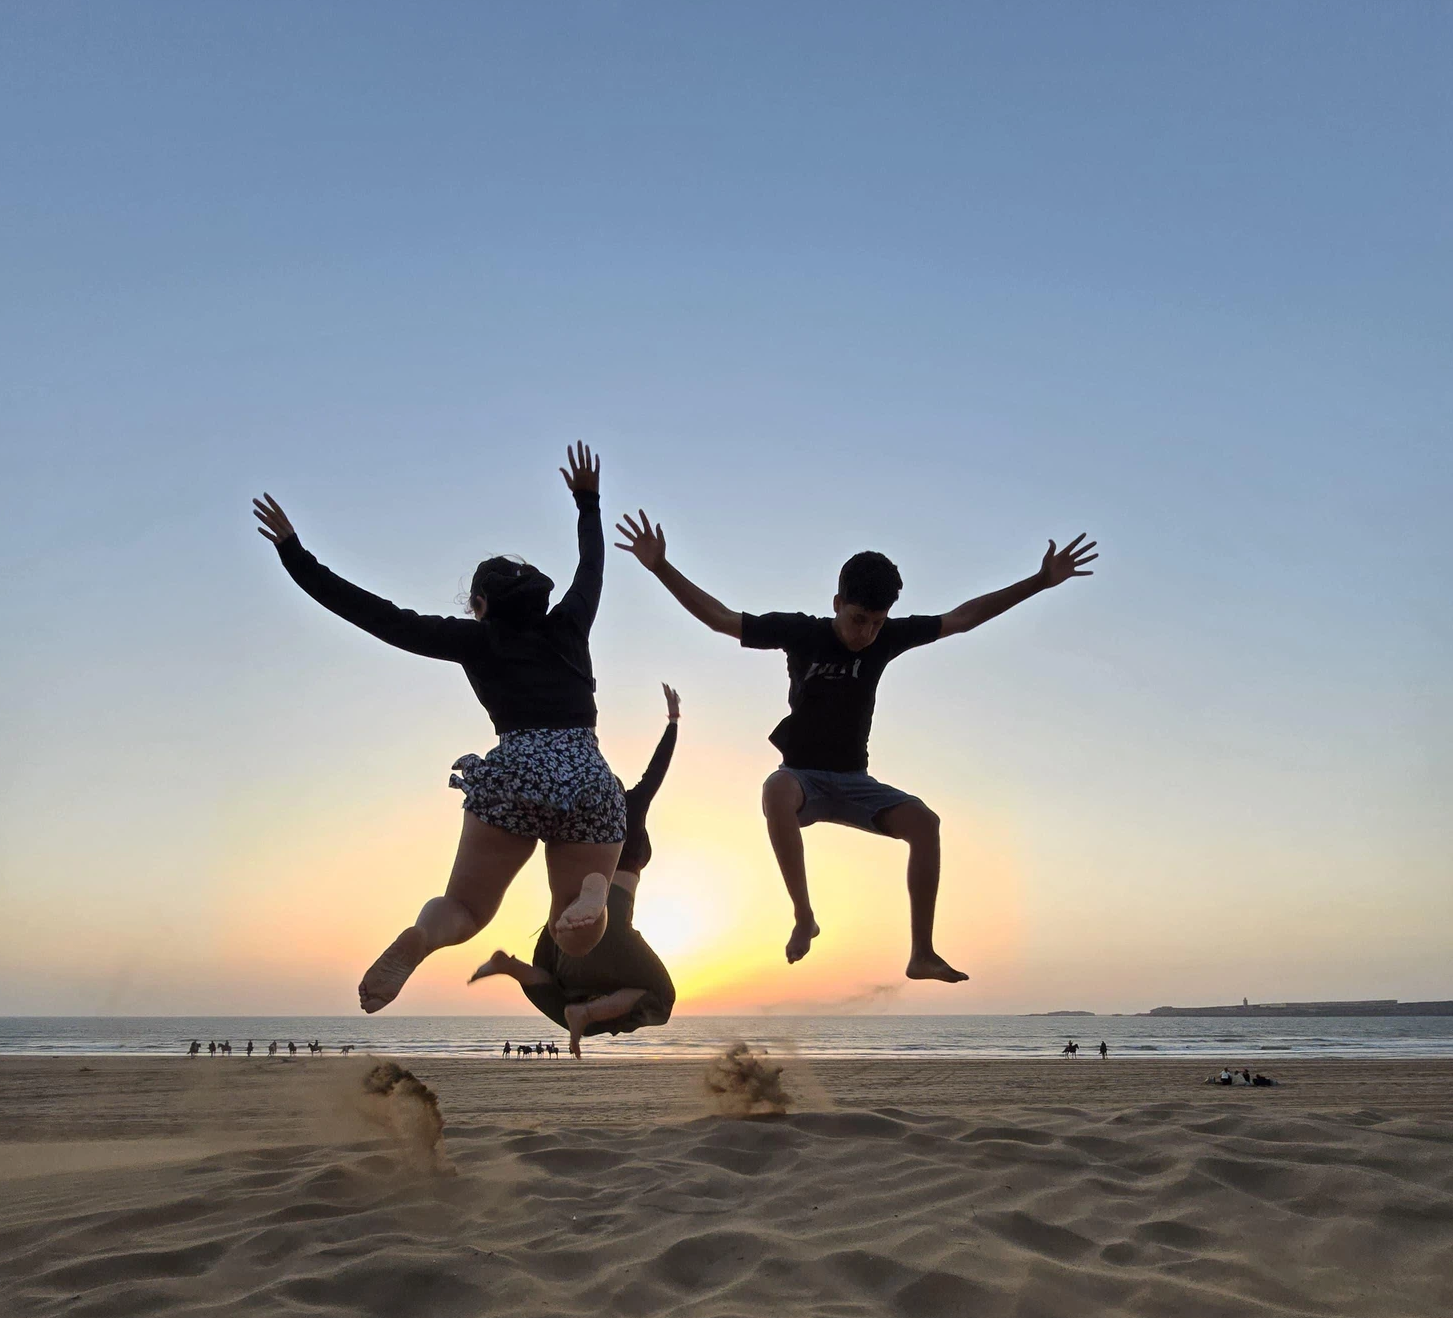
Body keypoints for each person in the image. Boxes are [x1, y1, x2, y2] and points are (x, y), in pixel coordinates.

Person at [615, 510, 1095, 980]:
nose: (866, 633)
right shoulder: (801, 632)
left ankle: (922, 953)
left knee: (925, 823)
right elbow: (720, 618)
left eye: (877, 623)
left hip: (855, 782)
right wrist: (660, 566)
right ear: (837, 603)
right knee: (775, 790)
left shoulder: (886, 639)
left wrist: (1038, 581)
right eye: (858, 619)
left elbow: (964, 617)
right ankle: (804, 916)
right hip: (802, 778)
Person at [254, 443, 626, 1015]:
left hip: (516, 771)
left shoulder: (474, 640)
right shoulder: (570, 624)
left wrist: (295, 556)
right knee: (570, 928)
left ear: (480, 604)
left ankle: (423, 939)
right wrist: (588, 503)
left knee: (465, 907)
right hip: (585, 772)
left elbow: (376, 615)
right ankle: (594, 894)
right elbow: (591, 568)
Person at [468, 685, 682, 1055]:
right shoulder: (631, 804)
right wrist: (674, 721)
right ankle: (587, 1010)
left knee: (558, 991)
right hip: (608, 920)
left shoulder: (572, 811)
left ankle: (513, 967)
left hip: (560, 929)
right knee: (660, 997)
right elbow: (657, 769)